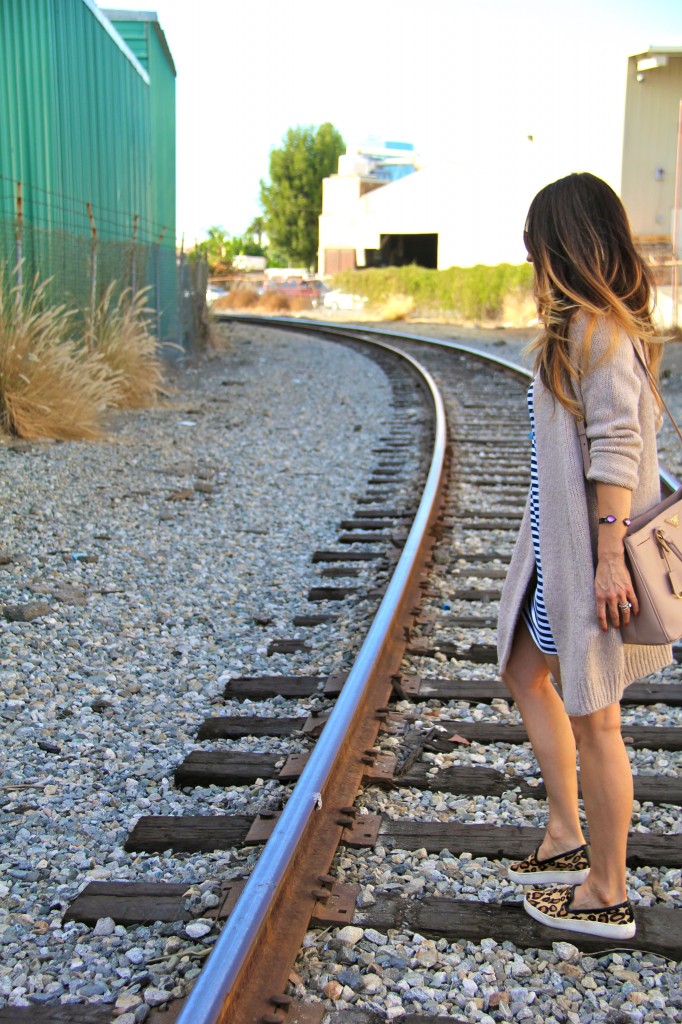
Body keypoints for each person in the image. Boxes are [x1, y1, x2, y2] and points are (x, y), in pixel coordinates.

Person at [497, 172, 671, 939]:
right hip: (556, 555)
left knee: (598, 718)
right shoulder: (582, 329)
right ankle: (567, 836)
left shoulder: (597, 332)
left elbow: (617, 449)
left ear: (563, 244)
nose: (527, 252)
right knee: (523, 669)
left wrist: (607, 561)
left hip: (588, 557)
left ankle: (608, 892)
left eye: (536, 239)